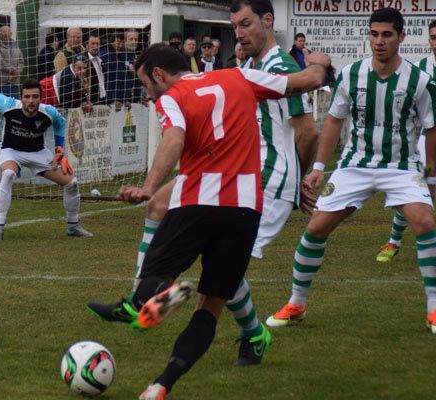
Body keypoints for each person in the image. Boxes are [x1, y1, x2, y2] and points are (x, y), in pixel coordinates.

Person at [88, 0, 321, 368]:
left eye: (245, 25)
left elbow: (307, 131)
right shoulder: (246, 67)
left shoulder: (281, 64)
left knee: (221, 267)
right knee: (160, 208)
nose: (239, 34)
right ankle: (143, 297)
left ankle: (249, 331)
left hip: (262, 176)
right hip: (224, 171)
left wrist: (299, 180)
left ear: (268, 21)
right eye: (235, 27)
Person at [266, 8, 436, 335]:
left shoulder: (420, 81)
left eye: (387, 35)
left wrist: (432, 175)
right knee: (316, 226)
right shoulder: (352, 74)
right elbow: (335, 120)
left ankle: (435, 308)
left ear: (401, 37)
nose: (379, 41)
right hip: (354, 165)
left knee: (424, 222)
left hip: (403, 166)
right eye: (374, 34)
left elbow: (432, 130)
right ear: (368, 35)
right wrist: (320, 167)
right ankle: (296, 302)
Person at [0, 79, 93, 241]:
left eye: (35, 97)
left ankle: (73, 227)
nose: (31, 101)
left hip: (38, 153)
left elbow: (61, 123)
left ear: (40, 97)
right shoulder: (10, 105)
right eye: (27, 97)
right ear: (21, 97)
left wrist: (59, 150)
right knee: (8, 174)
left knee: (72, 183)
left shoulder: (49, 112)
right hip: (11, 151)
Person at [376, 18, 436, 263]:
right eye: (433, 37)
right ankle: (393, 241)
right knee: (414, 194)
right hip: (427, 144)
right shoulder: (421, 70)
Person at [0, 25, 24, 99]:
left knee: (14, 104)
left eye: (8, 31)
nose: (6, 34)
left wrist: (18, 71)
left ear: (11, 33)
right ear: (0, 34)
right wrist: (12, 70)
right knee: (1, 104)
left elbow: (21, 61)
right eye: (3, 32)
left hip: (14, 81)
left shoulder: (16, 45)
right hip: (1, 82)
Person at [102, 32, 130, 111]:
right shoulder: (105, 56)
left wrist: (125, 100)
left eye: (122, 42)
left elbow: (124, 80)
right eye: (118, 42)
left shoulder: (123, 56)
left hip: (120, 100)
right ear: (111, 42)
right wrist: (112, 100)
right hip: (109, 103)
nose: (120, 45)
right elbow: (107, 79)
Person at [85, 33, 107, 105]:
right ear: (87, 45)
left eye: (97, 44)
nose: (95, 46)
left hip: (102, 101)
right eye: (93, 43)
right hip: (90, 103)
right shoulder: (83, 60)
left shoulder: (101, 61)